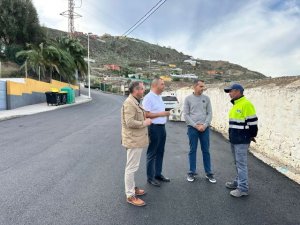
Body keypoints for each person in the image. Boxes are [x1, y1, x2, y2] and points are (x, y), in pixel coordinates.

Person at [224, 83, 258, 197]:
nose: (229, 93)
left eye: (231, 91)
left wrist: (251, 135)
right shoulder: (236, 104)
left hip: (242, 140)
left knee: (241, 164)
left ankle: (243, 188)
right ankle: (238, 181)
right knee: (237, 163)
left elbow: (253, 123)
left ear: (238, 91)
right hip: (234, 139)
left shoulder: (246, 104)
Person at [121, 81, 152, 206]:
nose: (144, 91)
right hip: (133, 140)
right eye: (142, 89)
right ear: (136, 90)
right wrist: (145, 123)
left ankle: (132, 188)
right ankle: (130, 195)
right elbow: (130, 122)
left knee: (133, 167)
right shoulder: (129, 103)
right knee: (131, 168)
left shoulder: (135, 102)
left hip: (136, 140)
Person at [183, 79, 216, 183]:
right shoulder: (188, 99)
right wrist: (195, 125)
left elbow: (209, 113)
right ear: (195, 87)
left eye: (203, 86)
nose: (203, 88)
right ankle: (191, 172)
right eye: (201, 86)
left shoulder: (206, 98)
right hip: (193, 128)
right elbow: (186, 114)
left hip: (204, 129)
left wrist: (205, 125)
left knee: (206, 151)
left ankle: (209, 173)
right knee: (192, 150)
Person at [142, 78, 170, 187]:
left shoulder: (159, 97)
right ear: (155, 85)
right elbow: (146, 114)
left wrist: (164, 114)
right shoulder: (148, 98)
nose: (164, 86)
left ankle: (158, 174)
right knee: (152, 153)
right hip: (154, 127)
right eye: (162, 84)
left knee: (160, 152)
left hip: (162, 127)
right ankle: (150, 177)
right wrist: (162, 114)